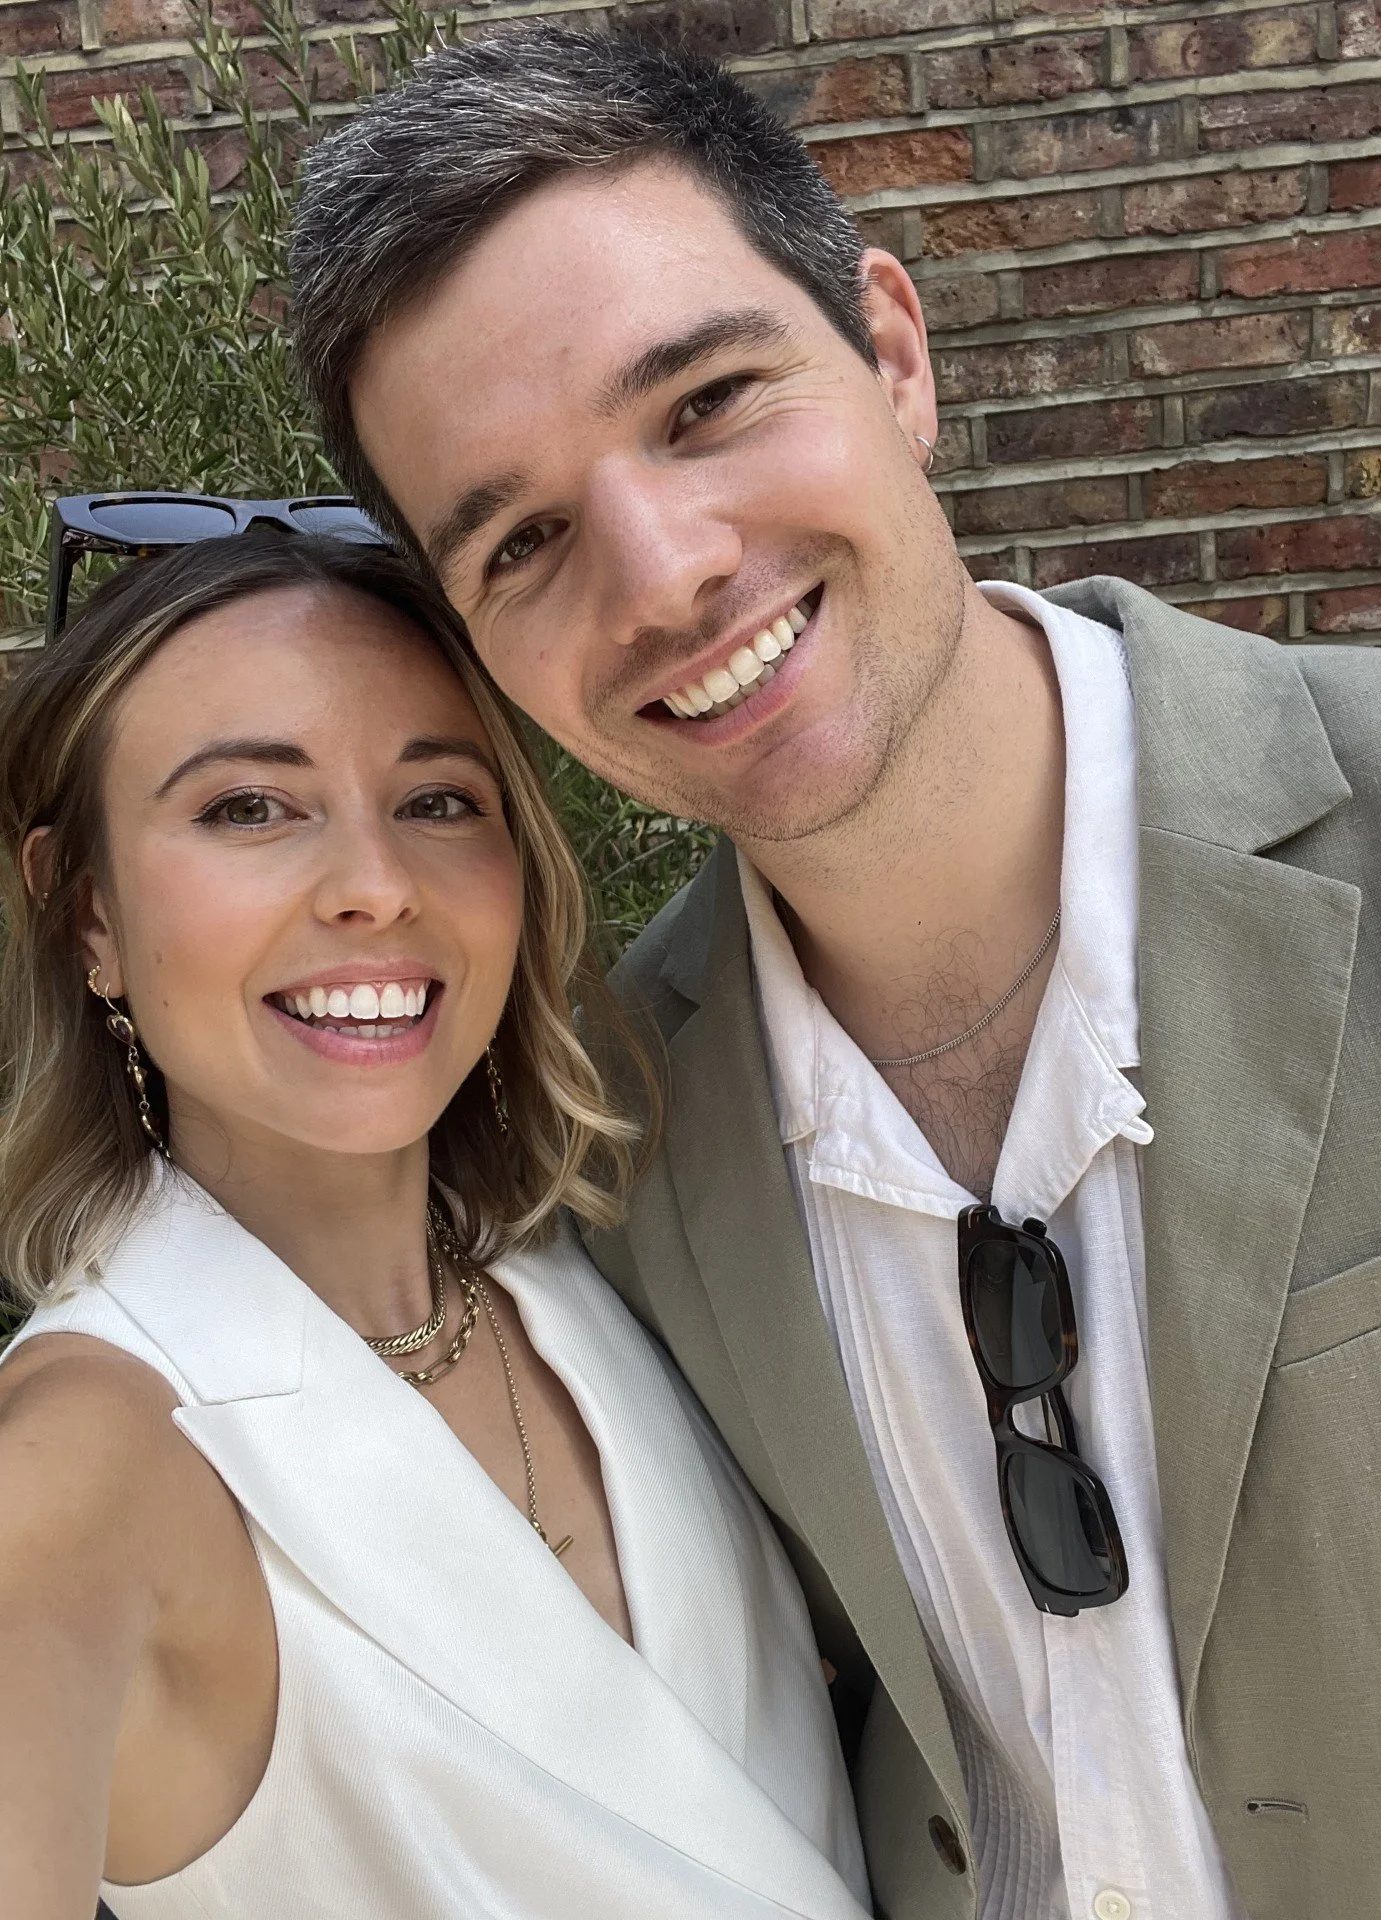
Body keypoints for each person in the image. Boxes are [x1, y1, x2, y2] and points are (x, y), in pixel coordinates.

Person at [285, 24, 1381, 1920]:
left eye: (706, 403)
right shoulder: (595, 1153)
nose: (664, 574)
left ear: (893, 354)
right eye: (525, 540)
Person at [0, 528, 872, 1920]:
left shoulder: (589, 1265)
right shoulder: (81, 1463)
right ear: (88, 914)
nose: (377, 883)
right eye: (248, 808)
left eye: (439, 800)